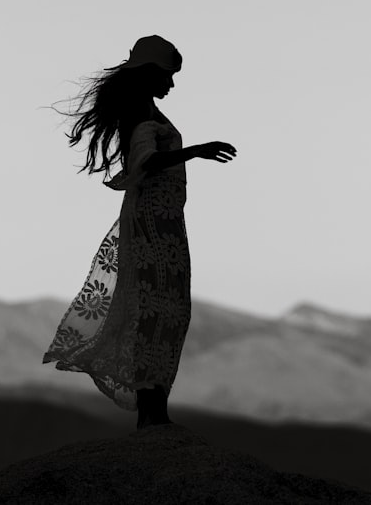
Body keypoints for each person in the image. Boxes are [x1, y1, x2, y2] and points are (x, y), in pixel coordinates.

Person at [43, 35, 237, 429]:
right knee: (153, 308)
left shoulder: (145, 108)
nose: (172, 84)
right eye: (168, 75)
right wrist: (196, 150)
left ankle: (155, 410)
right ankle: (151, 414)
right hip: (150, 222)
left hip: (163, 222)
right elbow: (144, 162)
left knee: (168, 308)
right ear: (150, 72)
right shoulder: (139, 112)